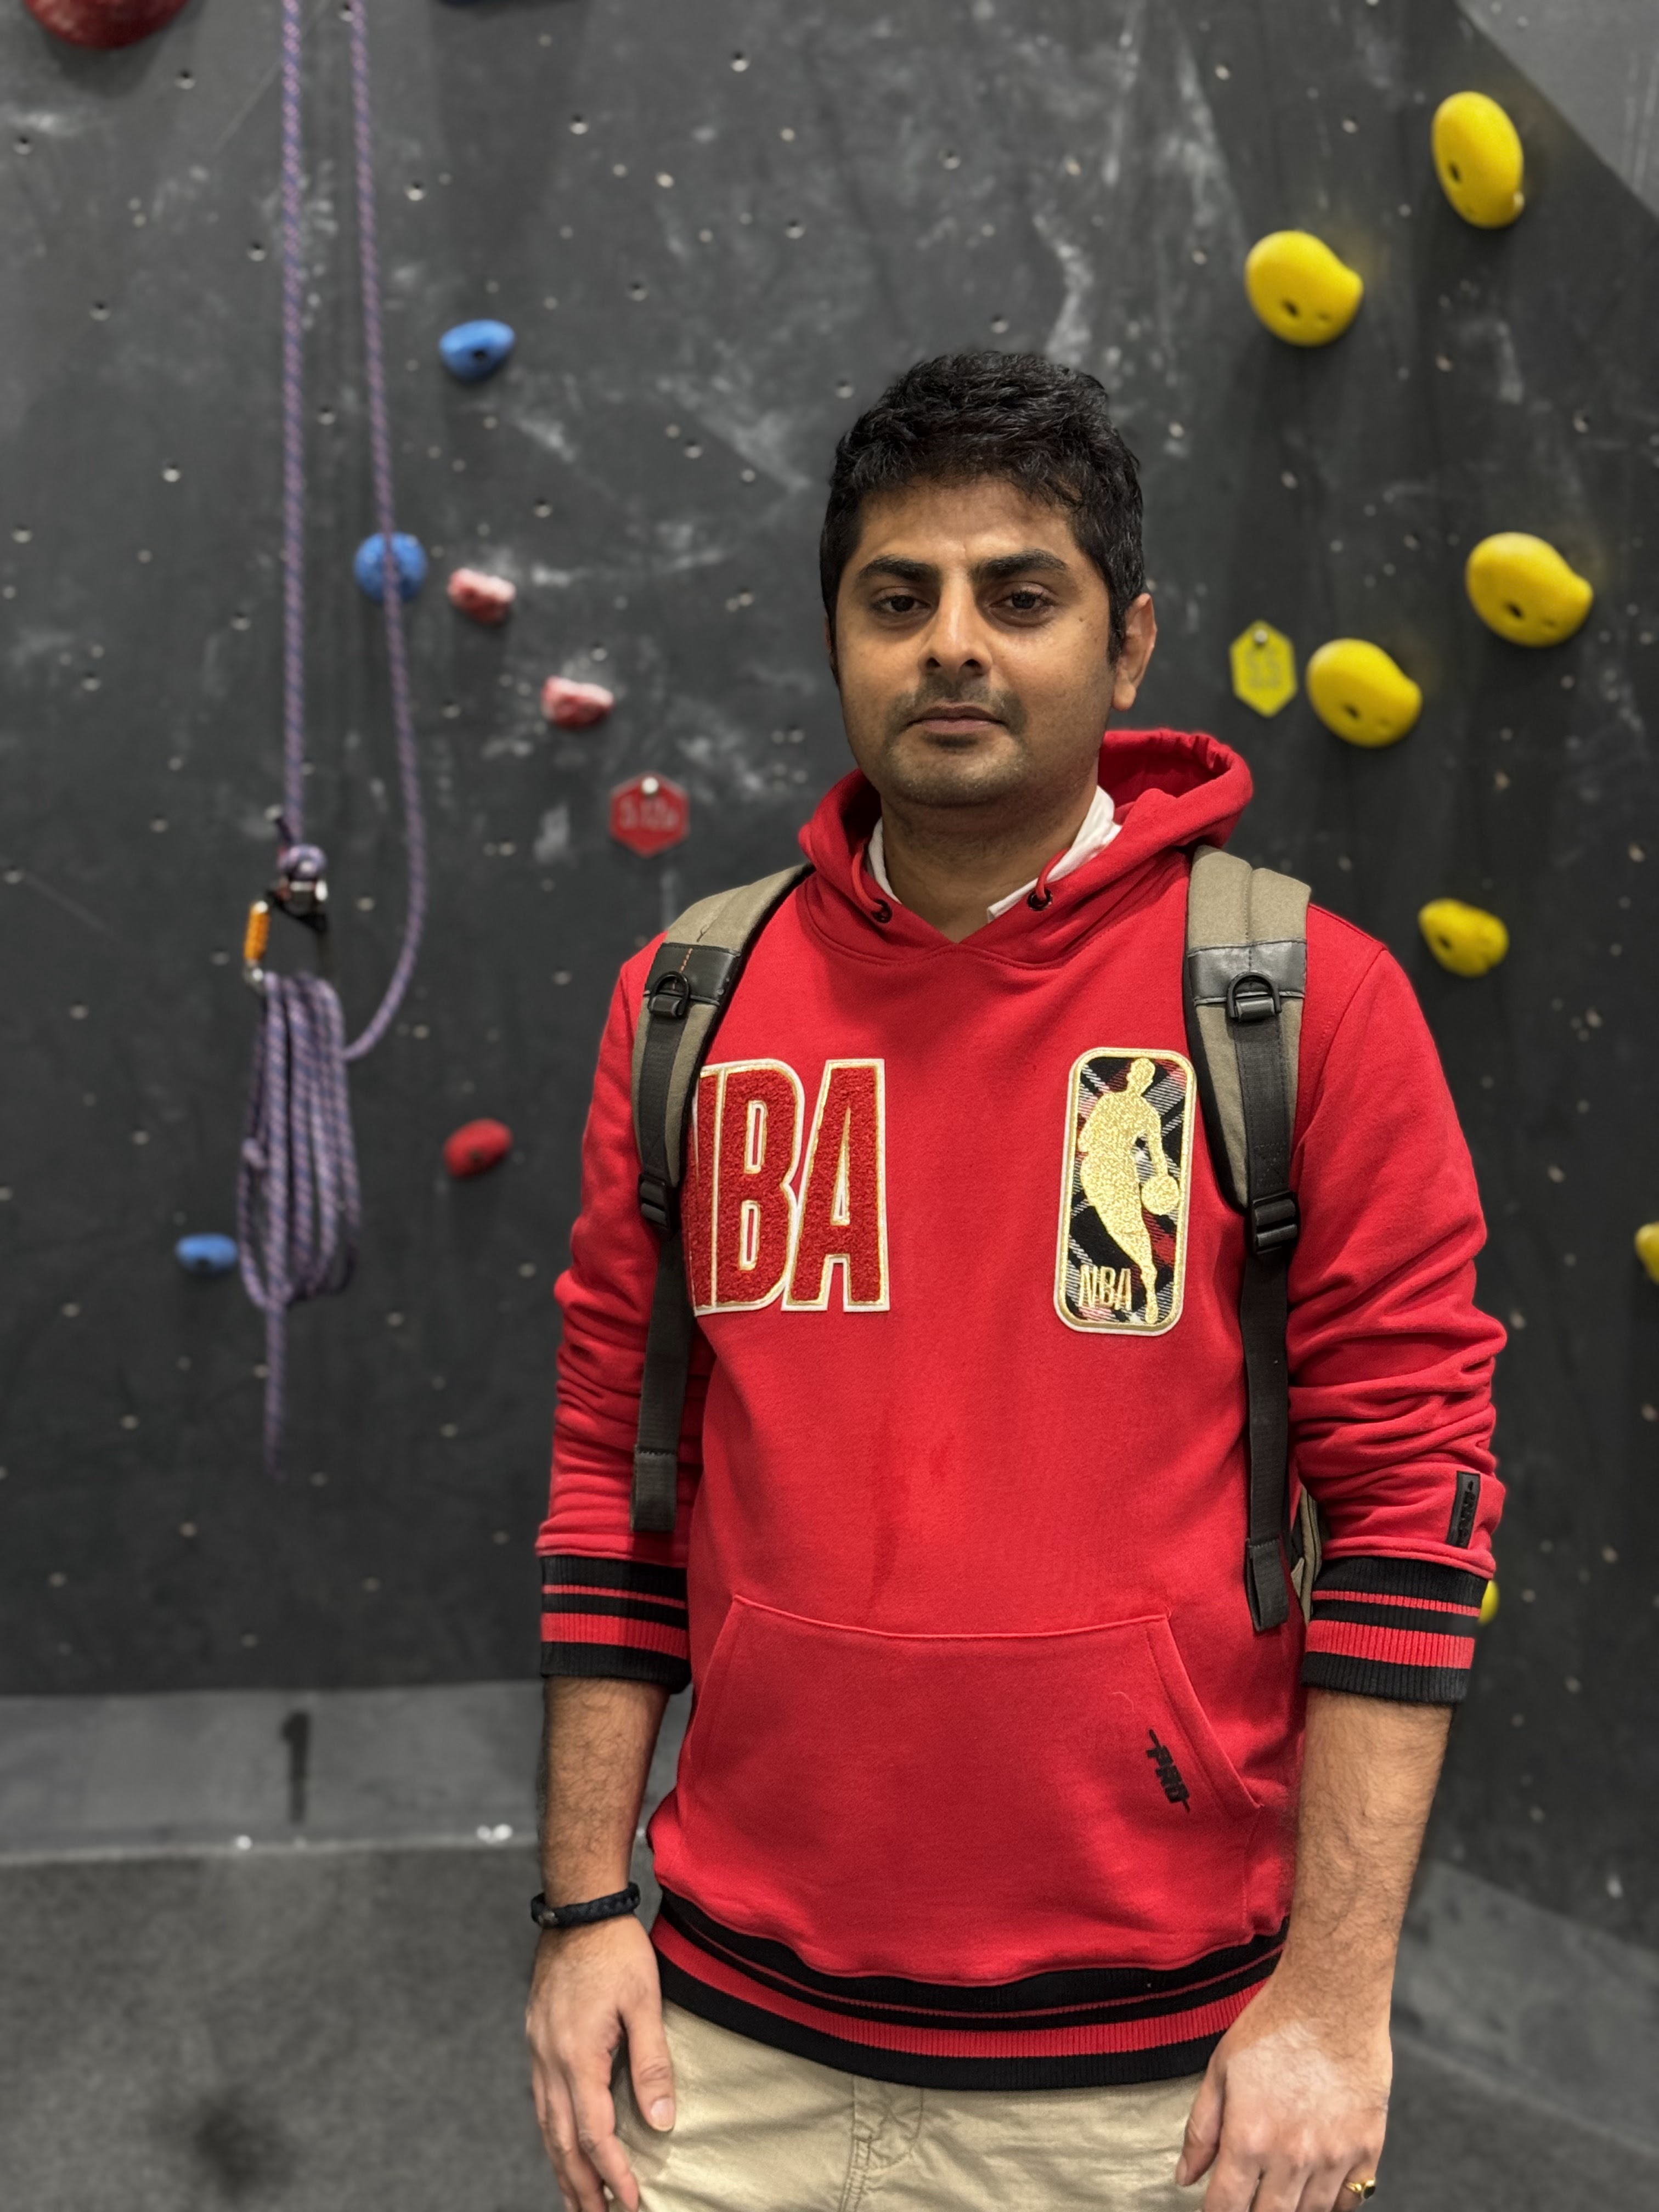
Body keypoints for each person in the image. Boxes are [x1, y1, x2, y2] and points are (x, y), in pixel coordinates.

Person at [525, 352, 1504, 2212]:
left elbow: (1410, 1518)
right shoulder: (689, 1007)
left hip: (1164, 2077)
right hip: (724, 2042)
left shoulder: (1303, 1000)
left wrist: (1334, 2005)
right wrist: (584, 1906)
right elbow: (615, 1483)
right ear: (837, 637)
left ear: (1129, 645)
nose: (952, 645)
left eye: (1019, 595)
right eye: (899, 600)